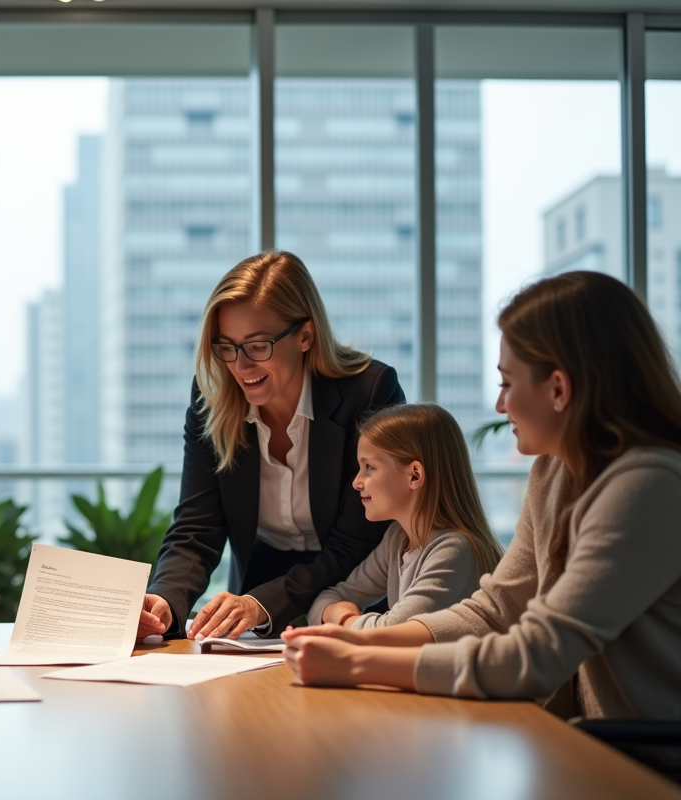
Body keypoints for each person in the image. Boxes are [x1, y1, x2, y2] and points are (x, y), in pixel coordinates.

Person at [282, 271, 681, 723]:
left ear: (558, 389)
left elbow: (537, 654)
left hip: (646, 763)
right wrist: (359, 640)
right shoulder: (552, 471)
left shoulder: (648, 485)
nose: (500, 406)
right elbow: (496, 610)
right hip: (584, 739)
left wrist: (359, 661)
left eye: (507, 384)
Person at [139, 251, 405, 641]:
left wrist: (261, 603)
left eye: (258, 345)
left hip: (353, 600)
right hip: (258, 601)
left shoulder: (369, 392)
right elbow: (197, 527)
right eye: (226, 347)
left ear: (305, 336)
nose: (241, 367)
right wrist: (165, 599)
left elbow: (358, 541)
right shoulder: (211, 399)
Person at [307, 403, 504, 630]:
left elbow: (392, 632)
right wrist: (332, 610)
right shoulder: (397, 539)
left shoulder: (454, 550)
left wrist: (342, 618)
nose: (356, 482)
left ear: (415, 475)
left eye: (369, 467)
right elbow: (326, 601)